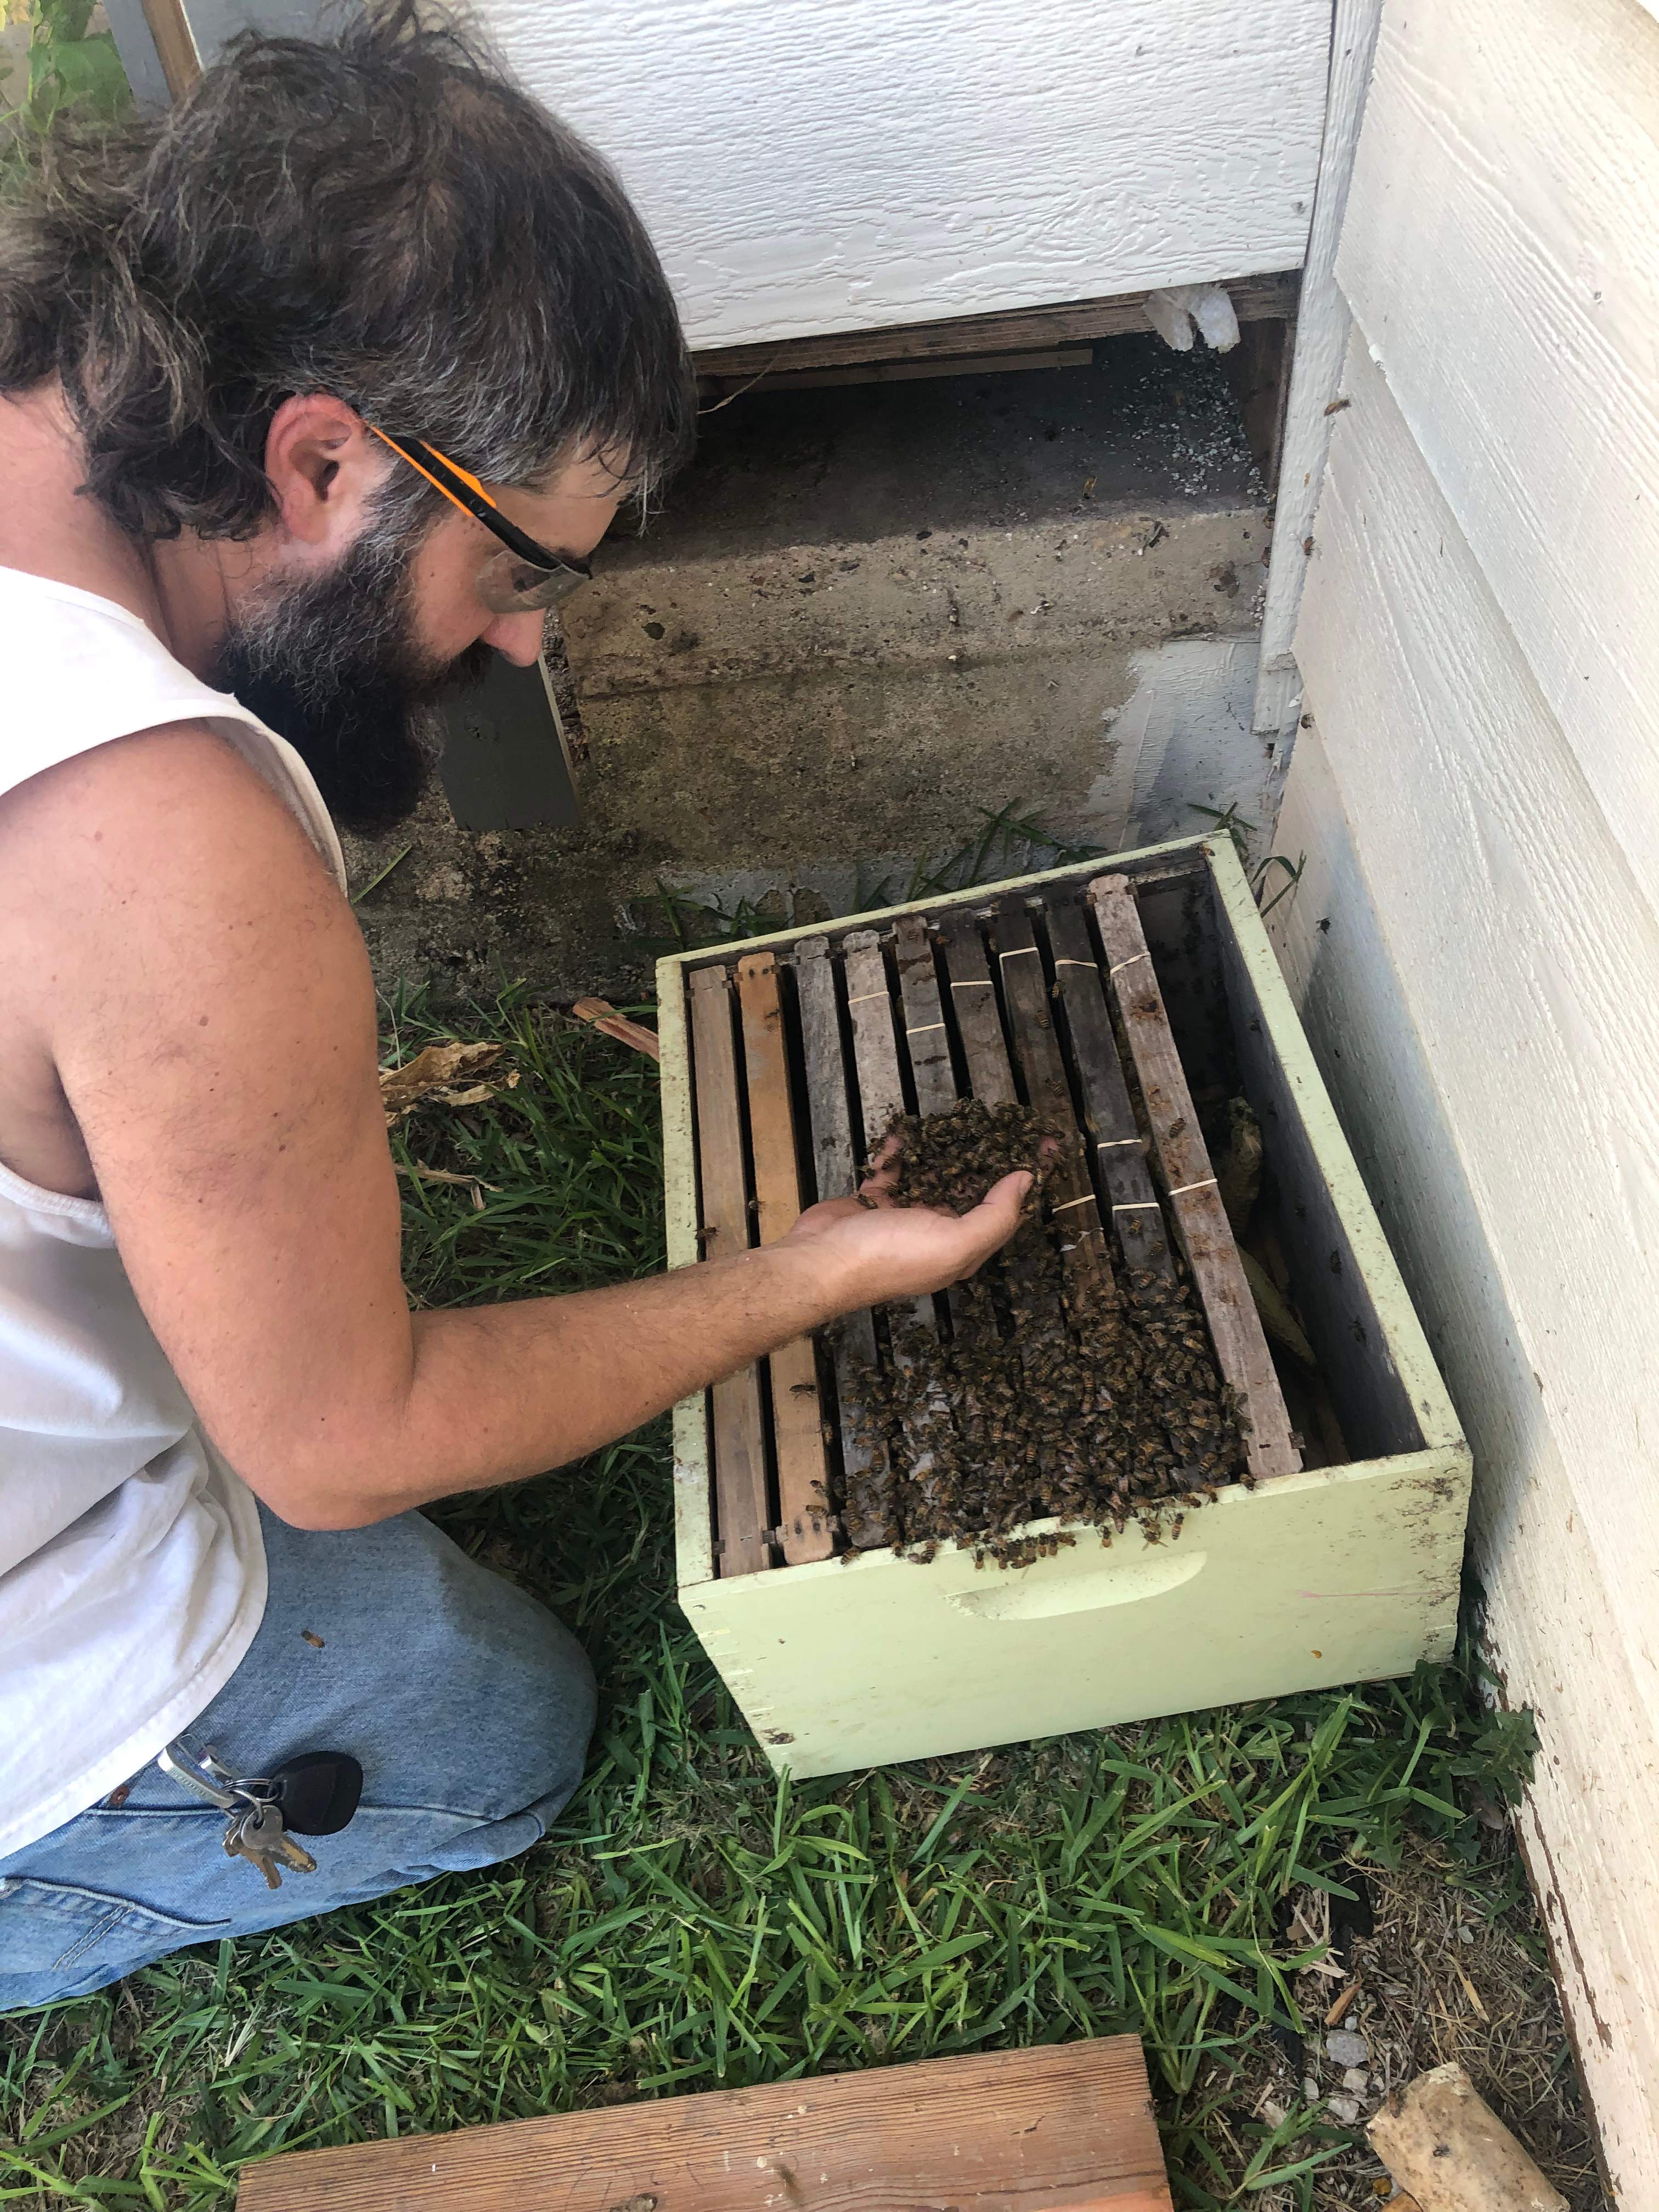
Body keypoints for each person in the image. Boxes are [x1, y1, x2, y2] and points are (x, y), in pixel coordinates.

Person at [0, 5, 1029, 2007]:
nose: (526, 642)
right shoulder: (158, 834)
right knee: (493, 1728)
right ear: (321, 459)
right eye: (516, 568)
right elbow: (341, 1440)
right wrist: (806, 1274)